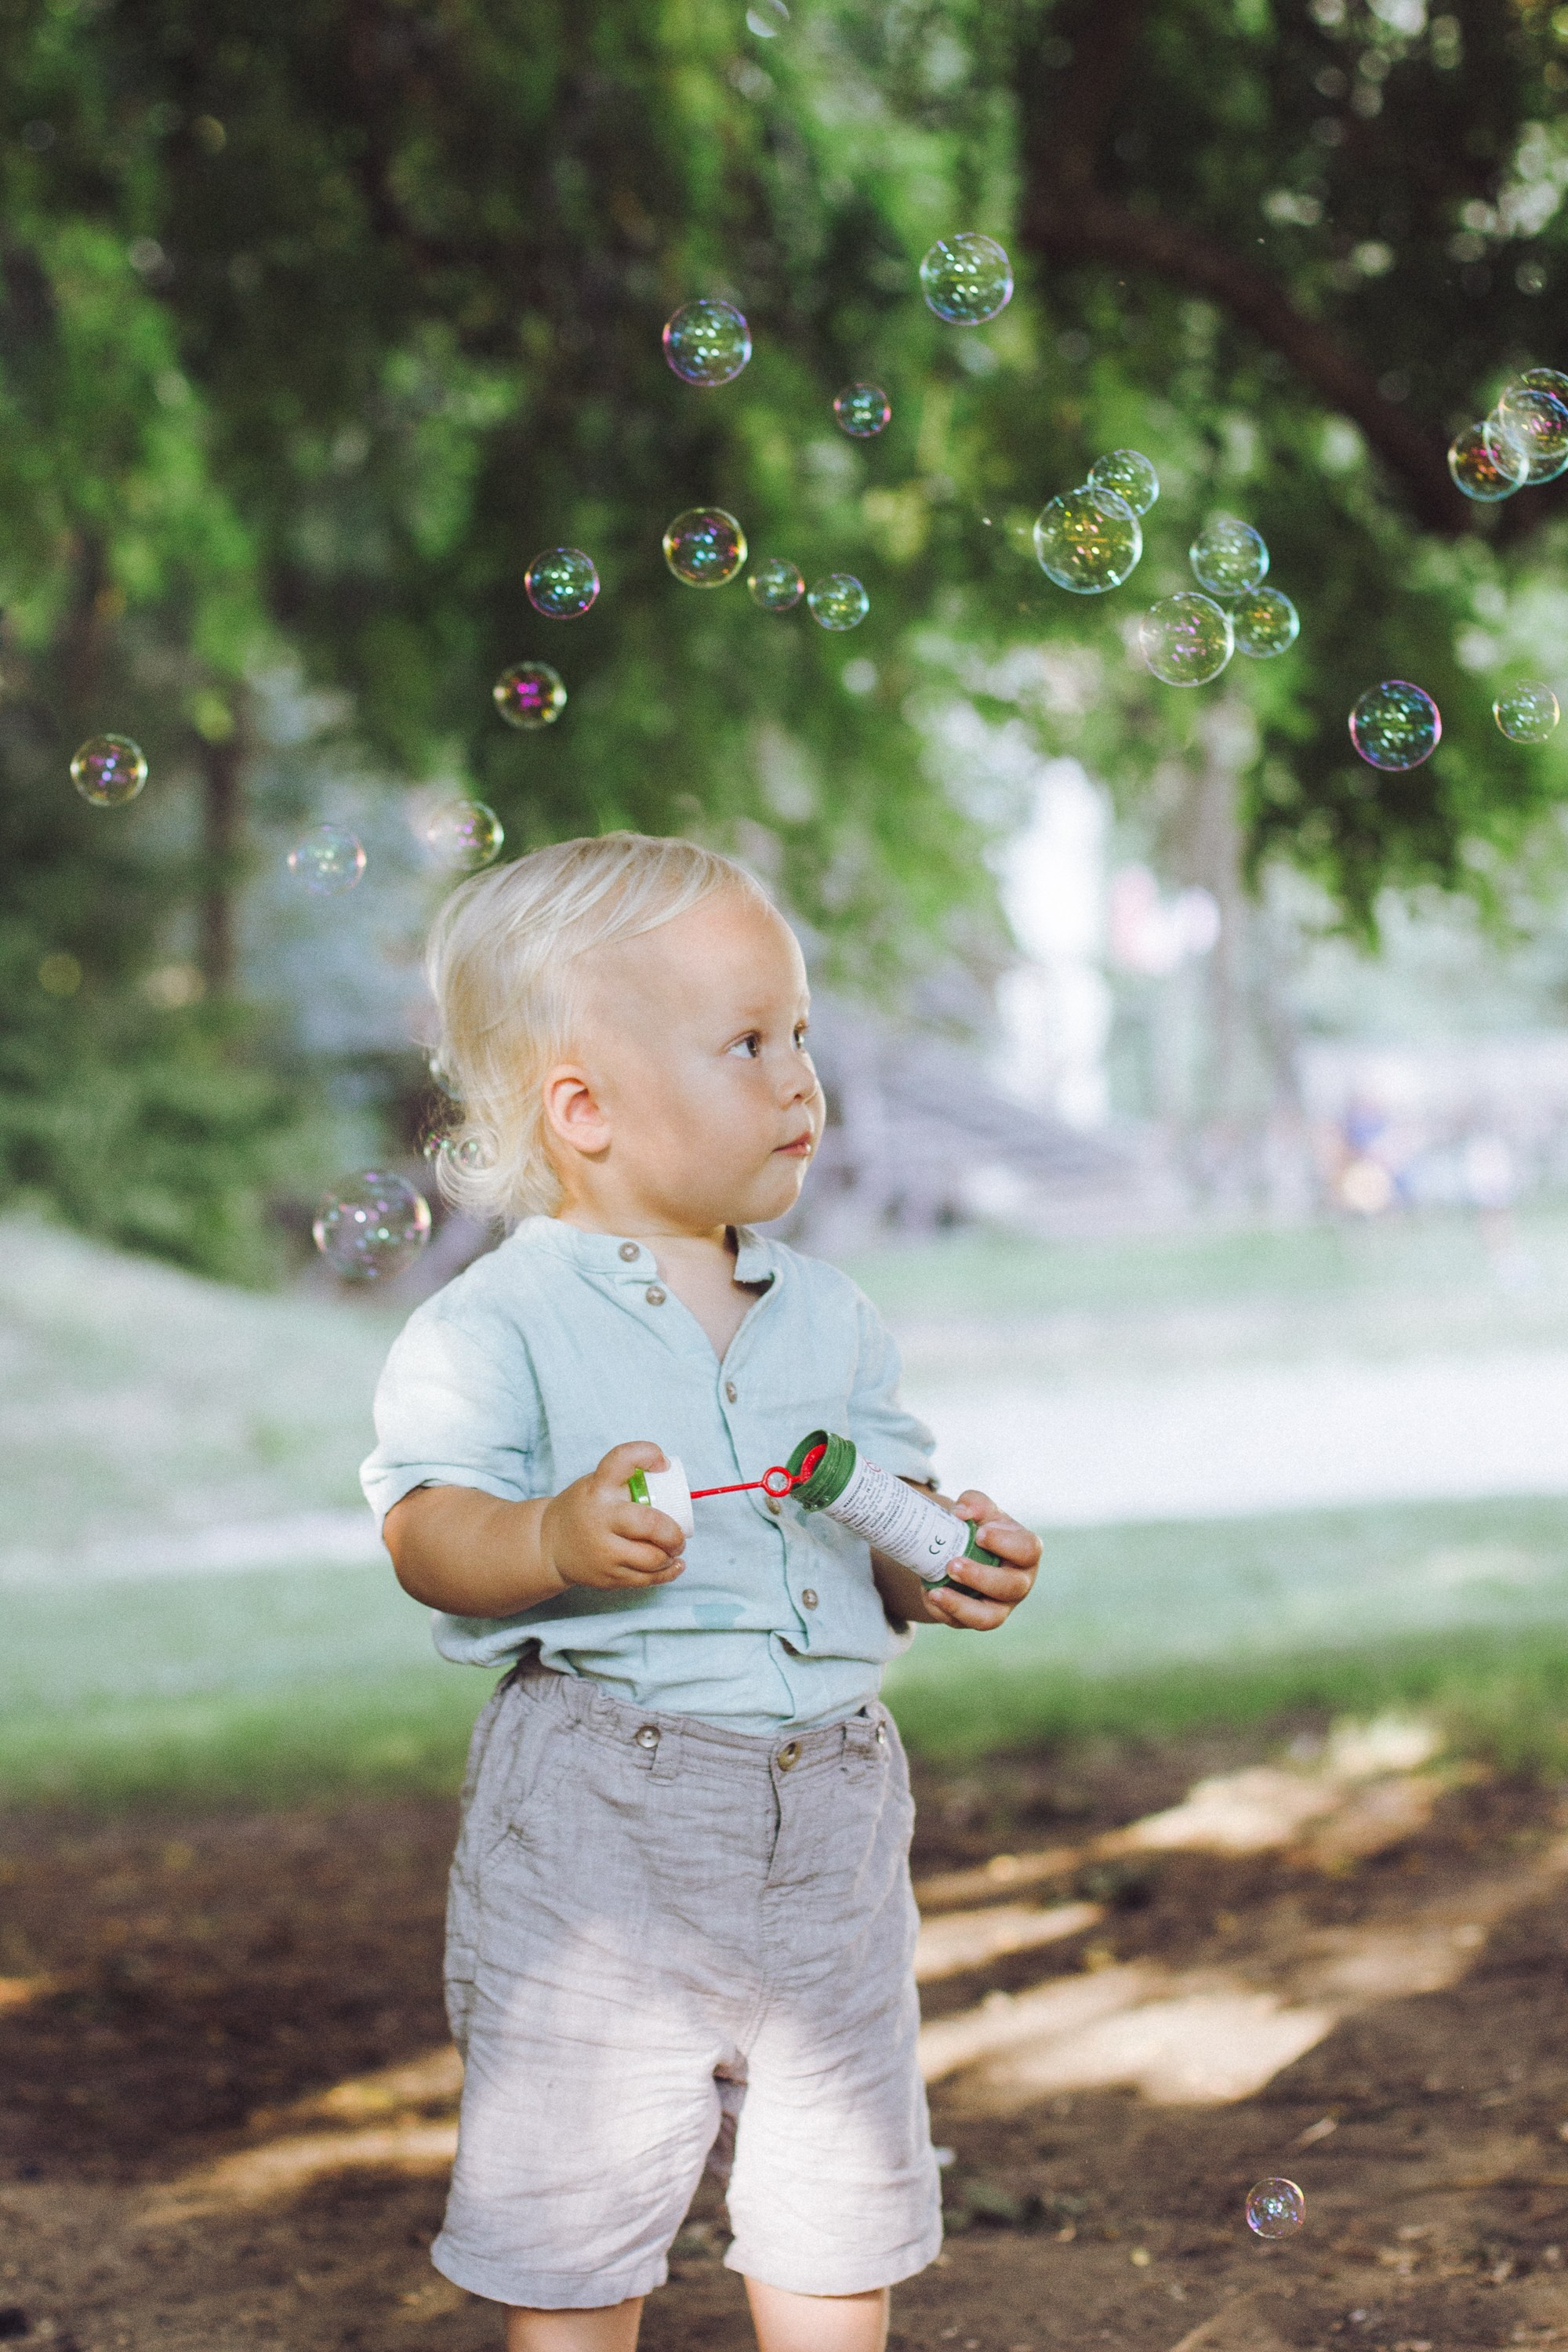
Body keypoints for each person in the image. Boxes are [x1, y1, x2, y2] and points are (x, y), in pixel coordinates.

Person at [363, 833, 1041, 2352]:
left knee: (834, 2195)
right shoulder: (498, 1327)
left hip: (833, 1813)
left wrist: (943, 1554)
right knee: (576, 2212)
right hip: (606, 1811)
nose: (802, 1080)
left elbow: (879, 1510)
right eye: (747, 1043)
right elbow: (423, 1527)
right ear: (582, 1108)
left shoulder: (834, 1321)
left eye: (799, 1036)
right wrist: (547, 1536)